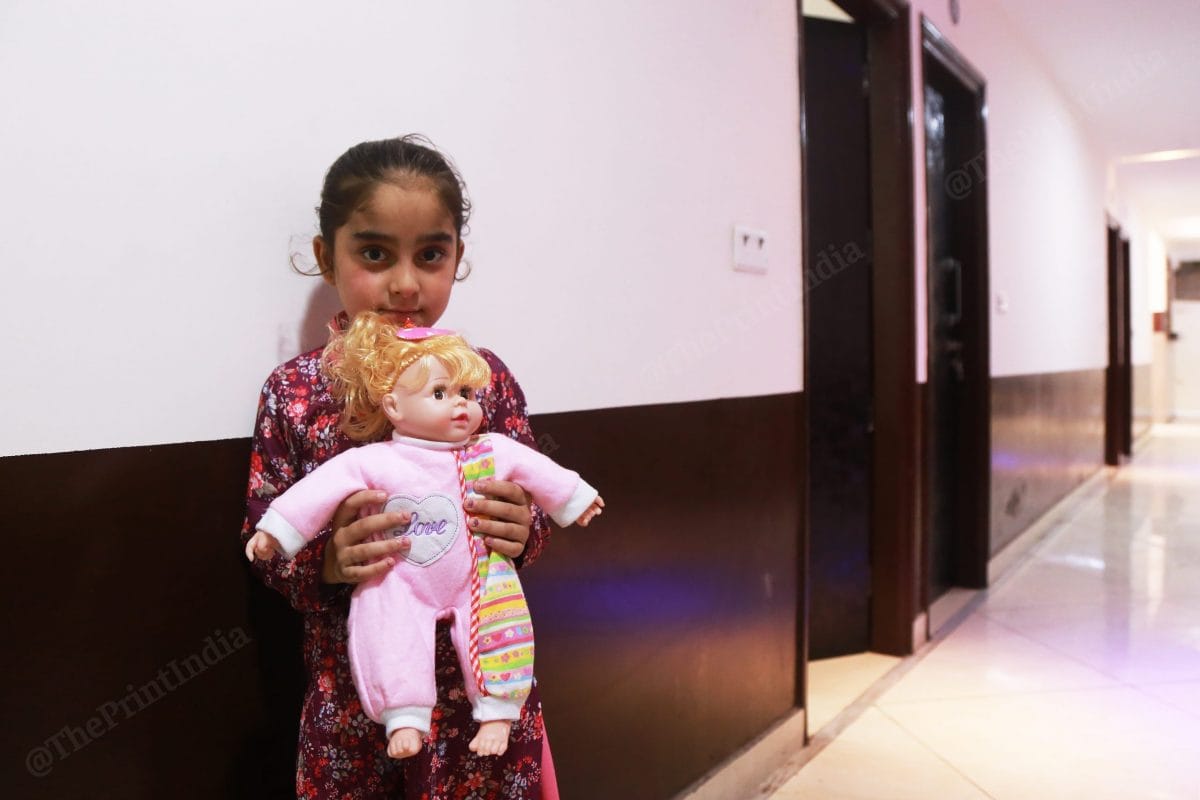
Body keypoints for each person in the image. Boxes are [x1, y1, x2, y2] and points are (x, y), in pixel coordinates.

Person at [241, 136, 561, 799]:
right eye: (375, 253)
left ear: (457, 260)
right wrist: (325, 561)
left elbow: (535, 509)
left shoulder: (485, 380)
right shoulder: (296, 394)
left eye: (432, 255)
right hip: (356, 703)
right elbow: (264, 538)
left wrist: (522, 525)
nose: (407, 282)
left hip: (484, 693)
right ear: (328, 256)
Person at [246, 318, 602, 761]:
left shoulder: (488, 450)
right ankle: (404, 716)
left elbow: (538, 472)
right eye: (440, 394)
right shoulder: (373, 458)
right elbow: (317, 491)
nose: (460, 406)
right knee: (389, 627)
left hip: (478, 571)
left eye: (466, 395)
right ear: (393, 407)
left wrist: (573, 500)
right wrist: (276, 531)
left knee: (499, 624)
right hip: (399, 582)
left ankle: (497, 710)